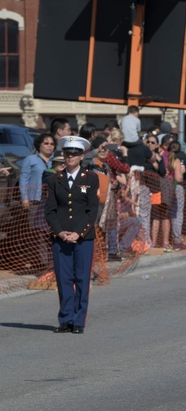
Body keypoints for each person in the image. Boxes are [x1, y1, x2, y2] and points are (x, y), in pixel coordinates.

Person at [45, 136, 100, 334]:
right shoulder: (53, 180)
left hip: (83, 237)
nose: (70, 157)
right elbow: (50, 210)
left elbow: (92, 210)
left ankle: (78, 321)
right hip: (60, 238)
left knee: (82, 278)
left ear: (81, 156)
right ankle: (66, 319)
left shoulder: (90, 179)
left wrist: (78, 232)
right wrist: (60, 232)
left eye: (75, 153)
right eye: (67, 153)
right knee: (63, 278)